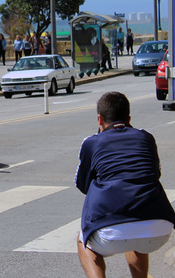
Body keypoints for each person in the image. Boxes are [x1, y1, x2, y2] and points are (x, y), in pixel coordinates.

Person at [75, 92, 175, 278]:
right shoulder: (146, 137)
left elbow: (82, 184)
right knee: (136, 232)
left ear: (100, 119)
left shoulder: (91, 142)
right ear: (129, 118)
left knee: (83, 242)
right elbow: (155, 173)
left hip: (110, 230)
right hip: (160, 228)